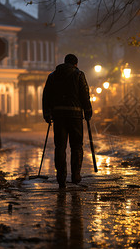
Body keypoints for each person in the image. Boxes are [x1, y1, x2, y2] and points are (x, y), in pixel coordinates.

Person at [42, 54, 92, 188]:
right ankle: (75, 175)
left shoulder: (52, 76)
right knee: (76, 146)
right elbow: (84, 94)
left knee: (60, 147)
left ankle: (61, 177)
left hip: (58, 116)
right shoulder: (79, 75)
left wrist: (47, 113)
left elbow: (46, 95)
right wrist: (88, 111)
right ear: (75, 64)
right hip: (75, 116)